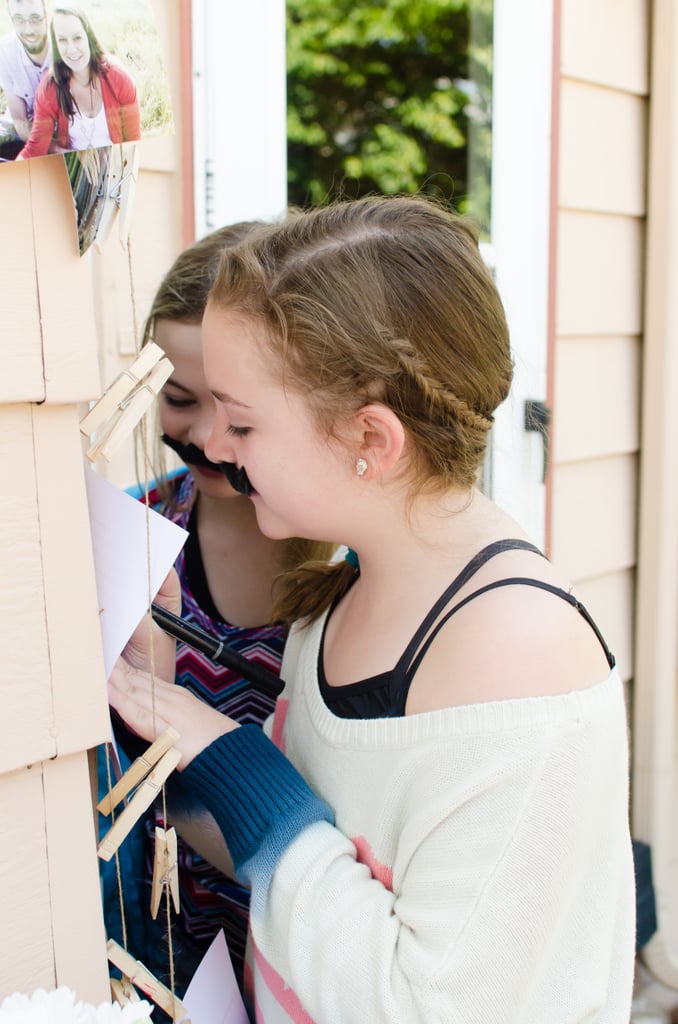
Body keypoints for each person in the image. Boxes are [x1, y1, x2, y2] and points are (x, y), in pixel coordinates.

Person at [109, 195, 636, 1023]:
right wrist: (150, 714)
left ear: (371, 442)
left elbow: (425, 1005)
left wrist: (231, 757)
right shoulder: (337, 606)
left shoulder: (516, 662)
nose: (213, 446)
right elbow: (281, 864)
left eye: (244, 424)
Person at [101, 222, 336, 996]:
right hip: (161, 948)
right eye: (176, 400)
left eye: (233, 411)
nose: (204, 437)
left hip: (310, 954)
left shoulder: (350, 558)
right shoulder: (131, 534)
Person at [18, 5, 139, 159]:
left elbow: (134, 142)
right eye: (62, 40)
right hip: (74, 170)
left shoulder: (119, 79)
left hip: (116, 166)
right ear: (55, 44)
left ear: (88, 37)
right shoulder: (49, 89)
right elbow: (35, 149)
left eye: (77, 38)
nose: (71, 49)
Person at [0, 0, 50, 156]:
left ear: (47, 14)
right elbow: (20, 121)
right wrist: (52, 149)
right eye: (19, 20)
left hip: (61, 131)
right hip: (22, 131)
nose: (28, 30)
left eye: (35, 18)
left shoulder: (68, 48)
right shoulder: (5, 52)